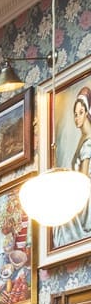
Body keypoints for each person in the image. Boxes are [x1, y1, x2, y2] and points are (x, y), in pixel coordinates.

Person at [56, 88, 91, 246]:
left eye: (81, 112)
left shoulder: (88, 141)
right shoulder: (83, 138)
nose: (77, 117)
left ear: (87, 112)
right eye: (75, 114)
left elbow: (83, 180)